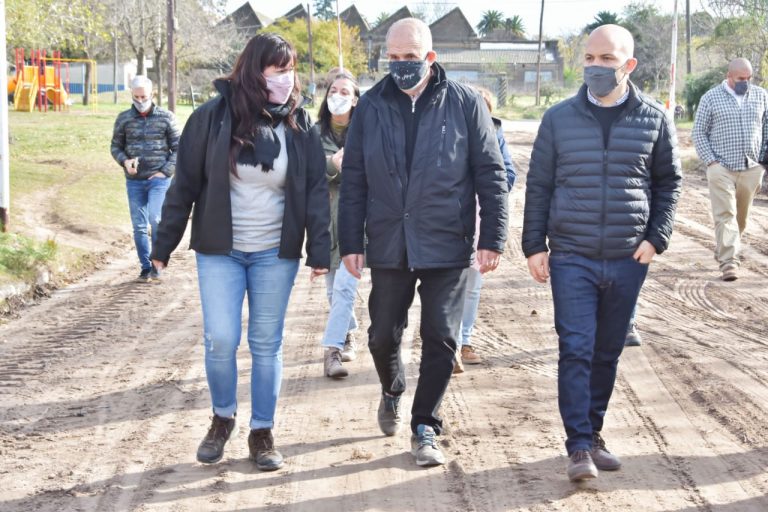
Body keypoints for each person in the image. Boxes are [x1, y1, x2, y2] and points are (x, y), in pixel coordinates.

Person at [150, 33, 330, 471]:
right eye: (277, 70)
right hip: (220, 252)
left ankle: (262, 431)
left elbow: (315, 191)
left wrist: (320, 249)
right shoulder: (210, 118)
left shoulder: (300, 125)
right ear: (254, 71)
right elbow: (185, 184)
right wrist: (164, 244)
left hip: (275, 253)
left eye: (290, 70)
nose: (286, 79)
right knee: (222, 339)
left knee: (266, 343)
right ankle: (222, 418)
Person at [338, 18, 509, 467]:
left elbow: (491, 174)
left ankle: (425, 426)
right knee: (381, 336)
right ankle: (392, 389)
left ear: (430, 58)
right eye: (392, 58)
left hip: (446, 241)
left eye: (409, 58)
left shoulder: (466, 104)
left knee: (441, 337)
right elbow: (354, 177)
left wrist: (492, 236)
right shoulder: (371, 106)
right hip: (390, 242)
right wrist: (350, 240)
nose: (400, 66)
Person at [522, 25, 681, 482]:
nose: (595, 67)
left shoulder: (654, 117)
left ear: (628, 65)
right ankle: (577, 447)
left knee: (607, 351)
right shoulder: (558, 118)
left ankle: (593, 434)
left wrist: (657, 237)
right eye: (589, 58)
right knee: (576, 347)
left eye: (606, 60)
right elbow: (540, 184)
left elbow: (669, 182)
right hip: (571, 254)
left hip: (629, 257)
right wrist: (534, 245)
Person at [454, 86, 516, 374]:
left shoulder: (496, 135)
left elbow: (508, 173)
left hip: (482, 215)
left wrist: (489, 191)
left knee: (473, 285)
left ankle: (464, 341)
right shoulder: (451, 131)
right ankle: (449, 342)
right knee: (449, 283)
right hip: (453, 216)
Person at [692, 58, 768, 282]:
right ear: (729, 76)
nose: (746, 82)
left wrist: (763, 161)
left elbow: (766, 127)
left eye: (749, 78)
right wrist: (711, 163)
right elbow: (699, 132)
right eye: (741, 79)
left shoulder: (761, 96)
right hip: (721, 167)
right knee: (726, 215)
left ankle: (726, 248)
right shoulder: (710, 98)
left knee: (740, 219)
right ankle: (729, 263)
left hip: (752, 167)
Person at [110, 75, 180, 282]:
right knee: (139, 226)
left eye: (144, 96)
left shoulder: (166, 117)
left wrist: (165, 171)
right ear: (131, 94)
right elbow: (116, 146)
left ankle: (158, 261)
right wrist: (124, 161)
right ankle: (145, 266)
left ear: (152, 95)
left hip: (159, 179)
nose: (141, 100)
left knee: (155, 219)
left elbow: (179, 147)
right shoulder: (124, 119)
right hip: (134, 181)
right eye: (137, 96)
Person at [316, 73, 361, 379]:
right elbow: (305, 173)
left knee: (345, 288)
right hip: (327, 221)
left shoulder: (367, 130)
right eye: (334, 90)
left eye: (345, 91)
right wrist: (333, 164)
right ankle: (347, 329)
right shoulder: (314, 133)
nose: (338, 95)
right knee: (335, 291)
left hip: (360, 223)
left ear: (355, 99)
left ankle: (331, 350)